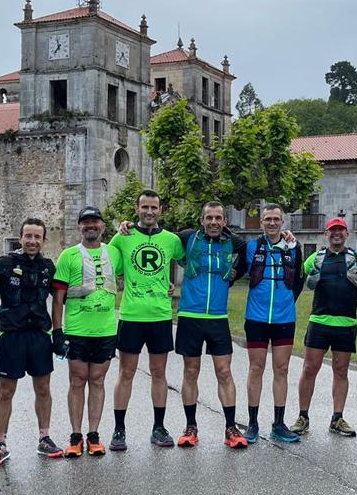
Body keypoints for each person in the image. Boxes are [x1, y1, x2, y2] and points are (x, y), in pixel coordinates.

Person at [290, 217, 357, 438]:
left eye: (341, 230)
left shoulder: (355, 258)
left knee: (341, 371)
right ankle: (303, 416)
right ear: (326, 234)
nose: (336, 233)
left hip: (346, 324)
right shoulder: (317, 257)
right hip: (319, 321)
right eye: (332, 230)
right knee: (309, 369)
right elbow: (296, 276)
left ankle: (337, 418)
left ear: (347, 234)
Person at [106, 190, 185, 451]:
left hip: (160, 315)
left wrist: (171, 285)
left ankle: (159, 427)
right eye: (145, 207)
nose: (149, 212)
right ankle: (119, 429)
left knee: (159, 373)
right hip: (131, 314)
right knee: (126, 373)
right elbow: (110, 267)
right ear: (137, 209)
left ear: (160, 210)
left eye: (154, 207)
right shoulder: (122, 237)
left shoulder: (171, 240)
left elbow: (188, 260)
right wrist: (120, 228)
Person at [167, 202, 249, 449]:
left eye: (218, 218)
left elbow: (247, 257)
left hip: (218, 318)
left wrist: (234, 274)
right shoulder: (188, 238)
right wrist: (128, 226)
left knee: (224, 372)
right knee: (191, 371)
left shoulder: (233, 243)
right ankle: (190, 426)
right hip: (190, 316)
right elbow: (158, 244)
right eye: (209, 218)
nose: (214, 222)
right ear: (201, 220)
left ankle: (231, 428)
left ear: (224, 221)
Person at [0, 218, 62, 467]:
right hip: (12, 336)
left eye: (37, 237)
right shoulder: (5, 264)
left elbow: (63, 296)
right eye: (28, 236)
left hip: (39, 336)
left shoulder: (48, 267)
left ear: (43, 240)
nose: (32, 241)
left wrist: (60, 334)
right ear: (20, 237)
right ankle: (0, 443)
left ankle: (44, 438)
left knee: (43, 389)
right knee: (6, 391)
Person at [51, 207, 118, 458]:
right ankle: (76, 435)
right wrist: (57, 331)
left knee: (98, 381)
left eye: (95, 222)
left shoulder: (114, 251)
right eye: (86, 222)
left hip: (105, 329)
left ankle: (94, 434)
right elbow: (58, 298)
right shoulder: (69, 256)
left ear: (102, 226)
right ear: (79, 227)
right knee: (77, 380)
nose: (91, 226)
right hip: (77, 330)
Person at [238, 204, 304, 444]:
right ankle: (253, 423)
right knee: (256, 369)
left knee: (282, 369)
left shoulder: (294, 247)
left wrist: (286, 302)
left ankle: (278, 423)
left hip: (284, 319)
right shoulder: (251, 246)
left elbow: (298, 280)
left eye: (276, 219)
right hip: (256, 318)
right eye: (268, 219)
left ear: (282, 222)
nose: (272, 223)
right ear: (262, 222)